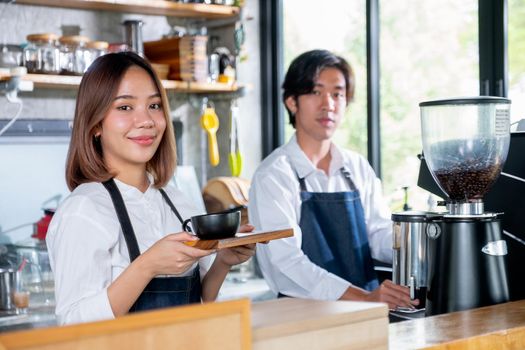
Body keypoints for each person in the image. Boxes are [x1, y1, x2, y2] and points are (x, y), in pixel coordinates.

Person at [46, 52, 255, 325]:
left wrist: (223, 262)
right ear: (95, 124)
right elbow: (72, 325)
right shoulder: (84, 210)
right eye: (125, 107)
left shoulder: (178, 203)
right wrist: (146, 266)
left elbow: (200, 302)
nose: (146, 120)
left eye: (154, 106)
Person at [248, 49, 415, 309]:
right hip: (304, 319)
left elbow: (378, 234)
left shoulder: (357, 167)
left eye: (338, 94)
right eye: (316, 92)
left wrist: (417, 243)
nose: (329, 104)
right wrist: (364, 298)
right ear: (292, 102)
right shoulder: (274, 175)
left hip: (367, 314)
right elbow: (285, 264)